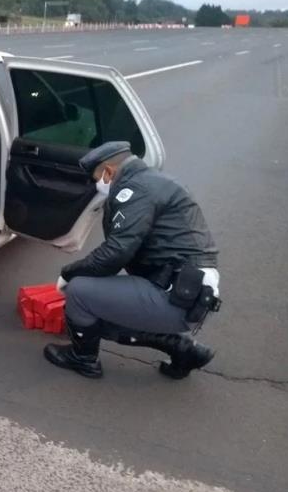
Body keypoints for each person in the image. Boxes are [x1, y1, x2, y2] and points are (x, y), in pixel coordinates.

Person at [45, 142, 220, 380]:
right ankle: (183, 350)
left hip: (177, 297)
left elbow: (117, 251)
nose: (96, 184)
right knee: (99, 297)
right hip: (185, 290)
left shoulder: (135, 189)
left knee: (79, 292)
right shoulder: (152, 180)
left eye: (96, 177)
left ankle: (83, 359)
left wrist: (68, 273)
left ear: (108, 170)